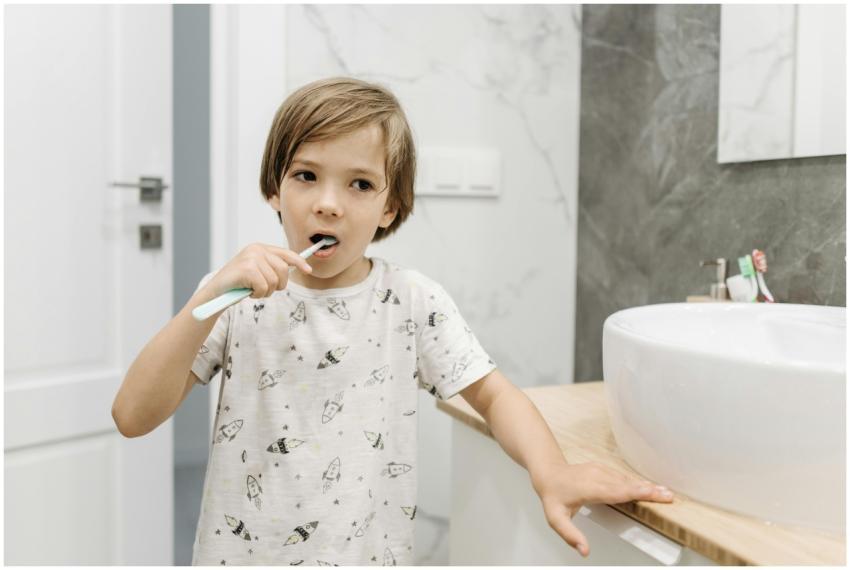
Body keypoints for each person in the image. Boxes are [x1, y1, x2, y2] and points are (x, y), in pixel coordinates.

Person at [111, 76, 673, 566]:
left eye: (359, 184)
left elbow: (495, 398)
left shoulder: (412, 302)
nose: (328, 203)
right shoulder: (233, 299)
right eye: (306, 175)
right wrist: (206, 299)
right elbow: (132, 416)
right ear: (273, 190)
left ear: (389, 208)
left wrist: (552, 471)